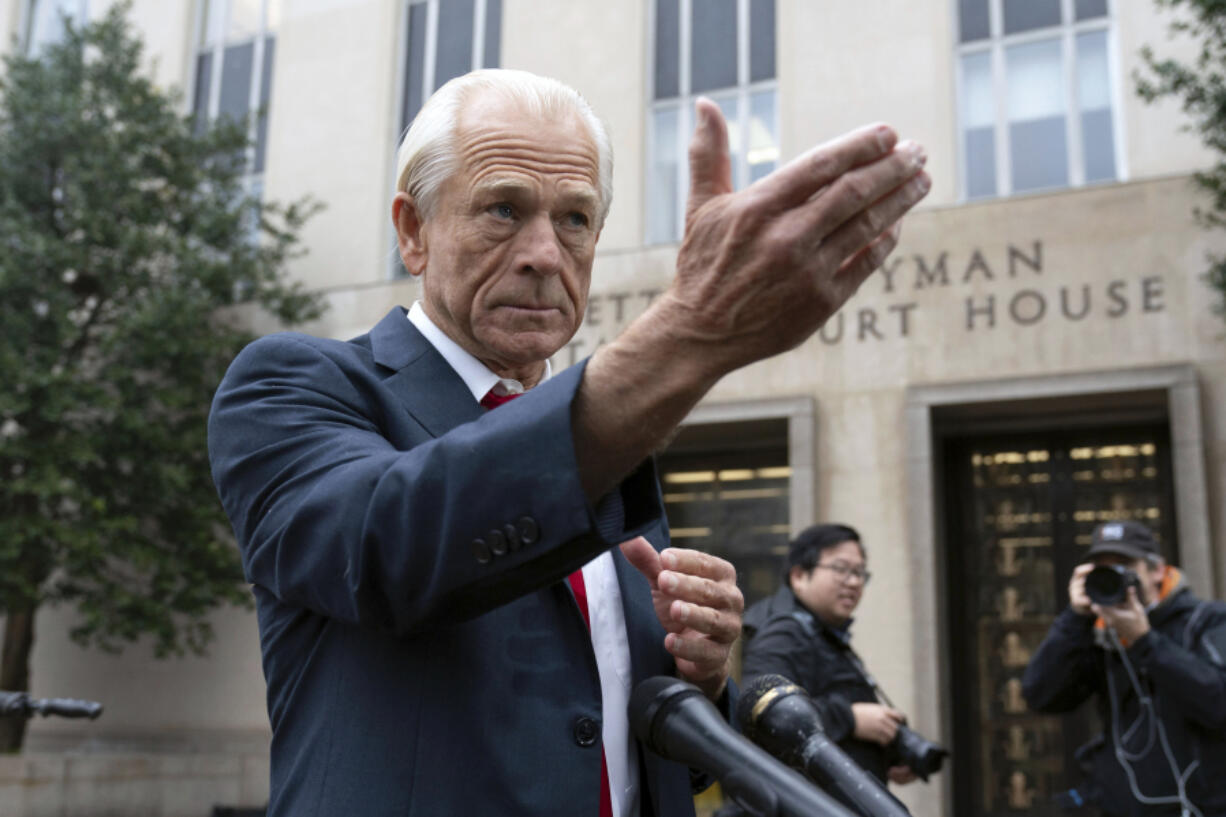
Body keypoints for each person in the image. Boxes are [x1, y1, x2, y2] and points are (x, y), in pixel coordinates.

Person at [207, 69, 930, 817]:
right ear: (413, 230)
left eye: (576, 219)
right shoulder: (293, 386)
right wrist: (693, 332)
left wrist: (705, 673)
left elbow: (624, 741)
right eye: (503, 209)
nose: (545, 255)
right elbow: (391, 545)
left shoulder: (607, 450)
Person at [1022, 520, 1226, 817]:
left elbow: (1219, 703)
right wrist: (1075, 618)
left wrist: (1145, 641)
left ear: (1157, 570)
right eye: (1102, 569)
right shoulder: (1100, 636)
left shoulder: (1207, 621)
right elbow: (1040, 695)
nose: (1116, 577)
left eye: (1125, 565)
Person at [741, 524, 921, 790]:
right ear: (800, 576)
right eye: (841, 569)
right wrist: (850, 719)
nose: (854, 581)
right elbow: (764, 717)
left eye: (860, 572)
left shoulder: (824, 634)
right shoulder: (782, 634)